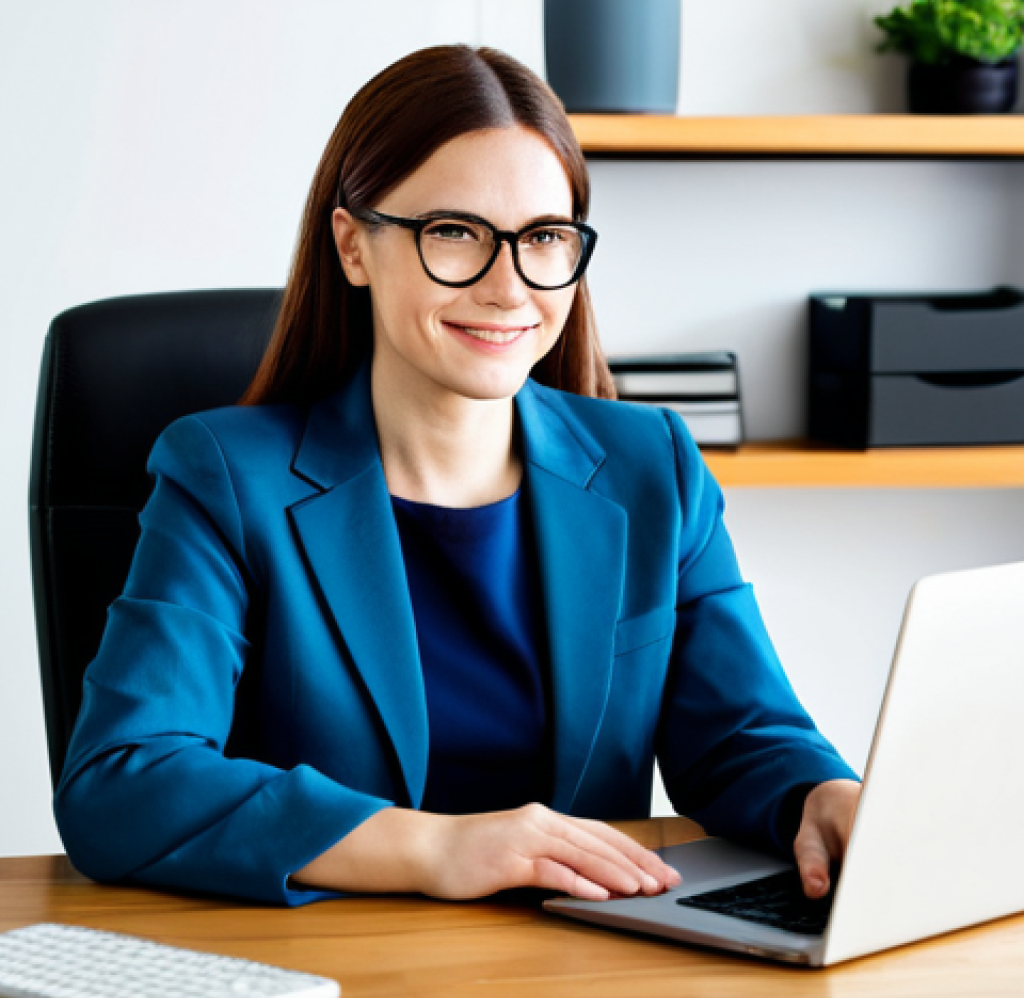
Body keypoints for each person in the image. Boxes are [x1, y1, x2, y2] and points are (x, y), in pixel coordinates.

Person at [54, 45, 860, 907]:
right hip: (334, 973)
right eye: (454, 233)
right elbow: (124, 780)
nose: (509, 286)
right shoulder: (224, 475)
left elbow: (742, 733)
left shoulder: (649, 465)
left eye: (544, 238)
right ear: (353, 246)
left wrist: (822, 795)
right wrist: (437, 849)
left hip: (585, 972)